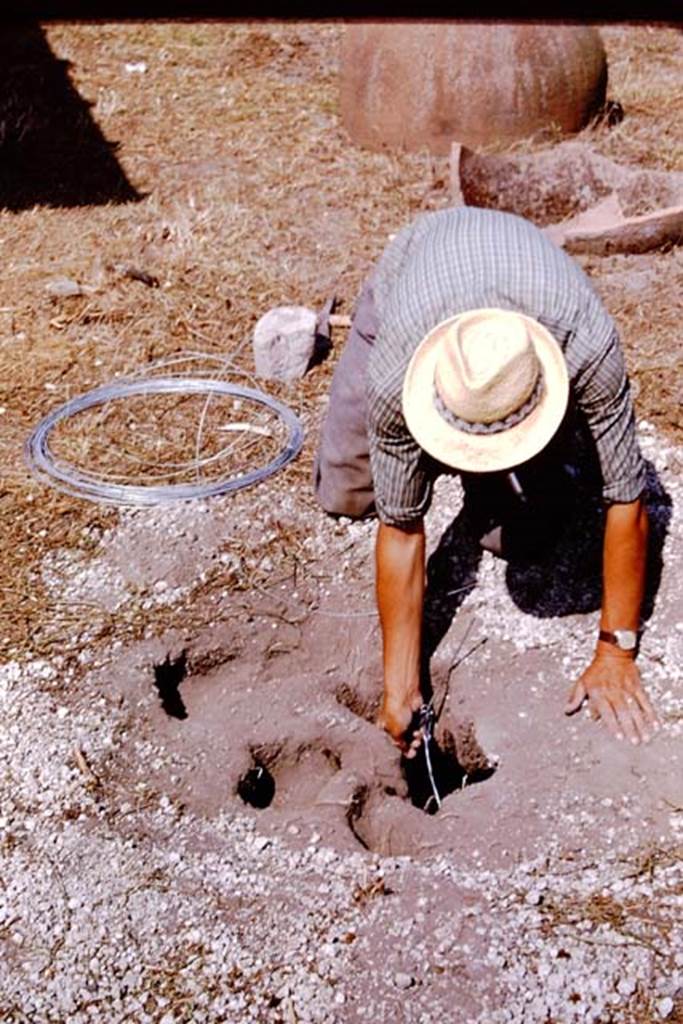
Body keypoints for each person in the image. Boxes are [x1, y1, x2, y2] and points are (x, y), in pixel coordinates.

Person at [313, 206, 659, 756]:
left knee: (529, 535)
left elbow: (626, 499)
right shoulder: (396, 374)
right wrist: (400, 685)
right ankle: (478, 466)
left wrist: (617, 649)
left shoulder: (587, 345)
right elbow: (401, 530)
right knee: (348, 494)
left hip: (532, 281)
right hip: (417, 266)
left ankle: (503, 475)